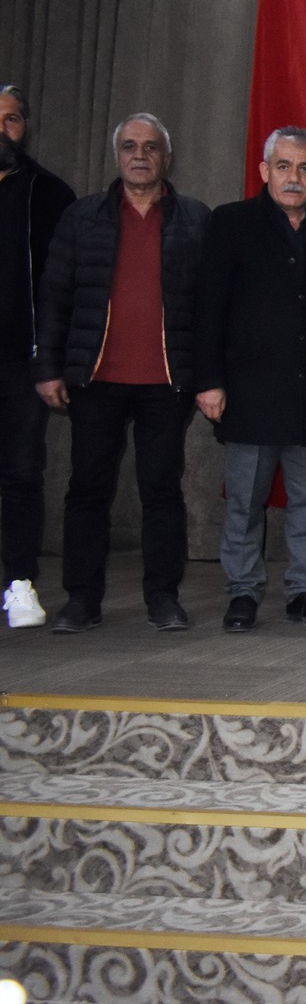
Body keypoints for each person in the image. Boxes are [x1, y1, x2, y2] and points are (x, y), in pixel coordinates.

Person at [34, 114, 207, 634]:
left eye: (151, 147)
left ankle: (163, 598)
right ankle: (81, 600)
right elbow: (54, 297)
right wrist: (48, 368)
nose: (140, 156)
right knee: (87, 489)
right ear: (117, 156)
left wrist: (206, 375)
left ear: (166, 158)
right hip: (96, 378)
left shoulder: (194, 219)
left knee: (161, 490)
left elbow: (210, 305)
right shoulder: (82, 217)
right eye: (130, 146)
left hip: (166, 381)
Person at [194, 126, 306, 632]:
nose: (294, 177)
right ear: (264, 170)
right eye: (284, 166)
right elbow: (208, 307)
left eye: (305, 168)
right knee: (245, 501)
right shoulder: (231, 223)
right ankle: (243, 592)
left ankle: (303, 592)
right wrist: (208, 380)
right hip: (249, 390)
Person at [0, 85, 75, 628]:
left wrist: (51, 358)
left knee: (21, 471)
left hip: (20, 362)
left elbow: (62, 287)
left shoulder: (48, 193)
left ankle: (19, 583)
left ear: (25, 127)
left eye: (12, 119)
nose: (3, 129)